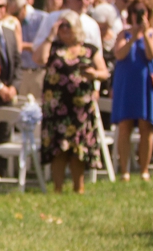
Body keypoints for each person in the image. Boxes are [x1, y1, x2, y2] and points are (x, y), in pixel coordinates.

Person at [35, 10, 107, 193]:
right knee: (58, 147)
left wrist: (94, 75)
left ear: (77, 28)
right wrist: (50, 35)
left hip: (80, 108)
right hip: (56, 106)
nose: (64, 29)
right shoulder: (52, 47)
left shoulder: (90, 49)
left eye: (68, 25)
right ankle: (57, 188)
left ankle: (78, 187)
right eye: (61, 25)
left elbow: (104, 72)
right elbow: (39, 59)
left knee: (78, 148)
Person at [111, 1, 153, 180]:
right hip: (126, 84)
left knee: (145, 126)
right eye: (135, 12)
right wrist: (133, 36)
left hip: (146, 85)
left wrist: (145, 33)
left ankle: (144, 170)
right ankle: (124, 170)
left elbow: (152, 54)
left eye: (142, 12)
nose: (139, 16)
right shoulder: (123, 34)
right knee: (125, 126)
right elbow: (119, 54)